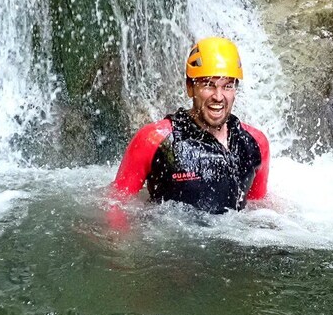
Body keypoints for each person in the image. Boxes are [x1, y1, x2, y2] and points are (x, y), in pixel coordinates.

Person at [111, 36, 270, 214]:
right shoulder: (154, 140)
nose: (218, 96)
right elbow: (115, 205)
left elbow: (258, 211)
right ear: (189, 87)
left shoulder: (254, 143)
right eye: (208, 85)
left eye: (227, 86)